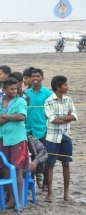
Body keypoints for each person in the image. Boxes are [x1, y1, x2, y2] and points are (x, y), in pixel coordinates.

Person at [0, 77, 28, 209]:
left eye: (16, 88)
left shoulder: (21, 101)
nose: (15, 91)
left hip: (18, 139)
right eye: (11, 89)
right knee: (5, 169)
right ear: (4, 89)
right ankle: (11, 199)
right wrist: (12, 116)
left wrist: (5, 116)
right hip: (2, 138)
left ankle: (18, 200)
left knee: (17, 170)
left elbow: (22, 117)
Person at [44, 75, 77, 203]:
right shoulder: (49, 101)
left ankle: (66, 194)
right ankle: (50, 193)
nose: (67, 87)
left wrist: (61, 119)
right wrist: (67, 118)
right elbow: (52, 120)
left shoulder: (68, 100)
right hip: (52, 137)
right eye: (65, 85)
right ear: (58, 87)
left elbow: (74, 116)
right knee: (50, 164)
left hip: (66, 136)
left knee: (66, 164)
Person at [25, 68, 53, 191]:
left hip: (41, 128)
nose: (35, 78)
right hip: (27, 129)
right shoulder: (26, 93)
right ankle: (30, 181)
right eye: (33, 76)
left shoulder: (48, 94)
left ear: (42, 77)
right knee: (29, 156)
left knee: (43, 156)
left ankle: (45, 182)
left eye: (37, 76)